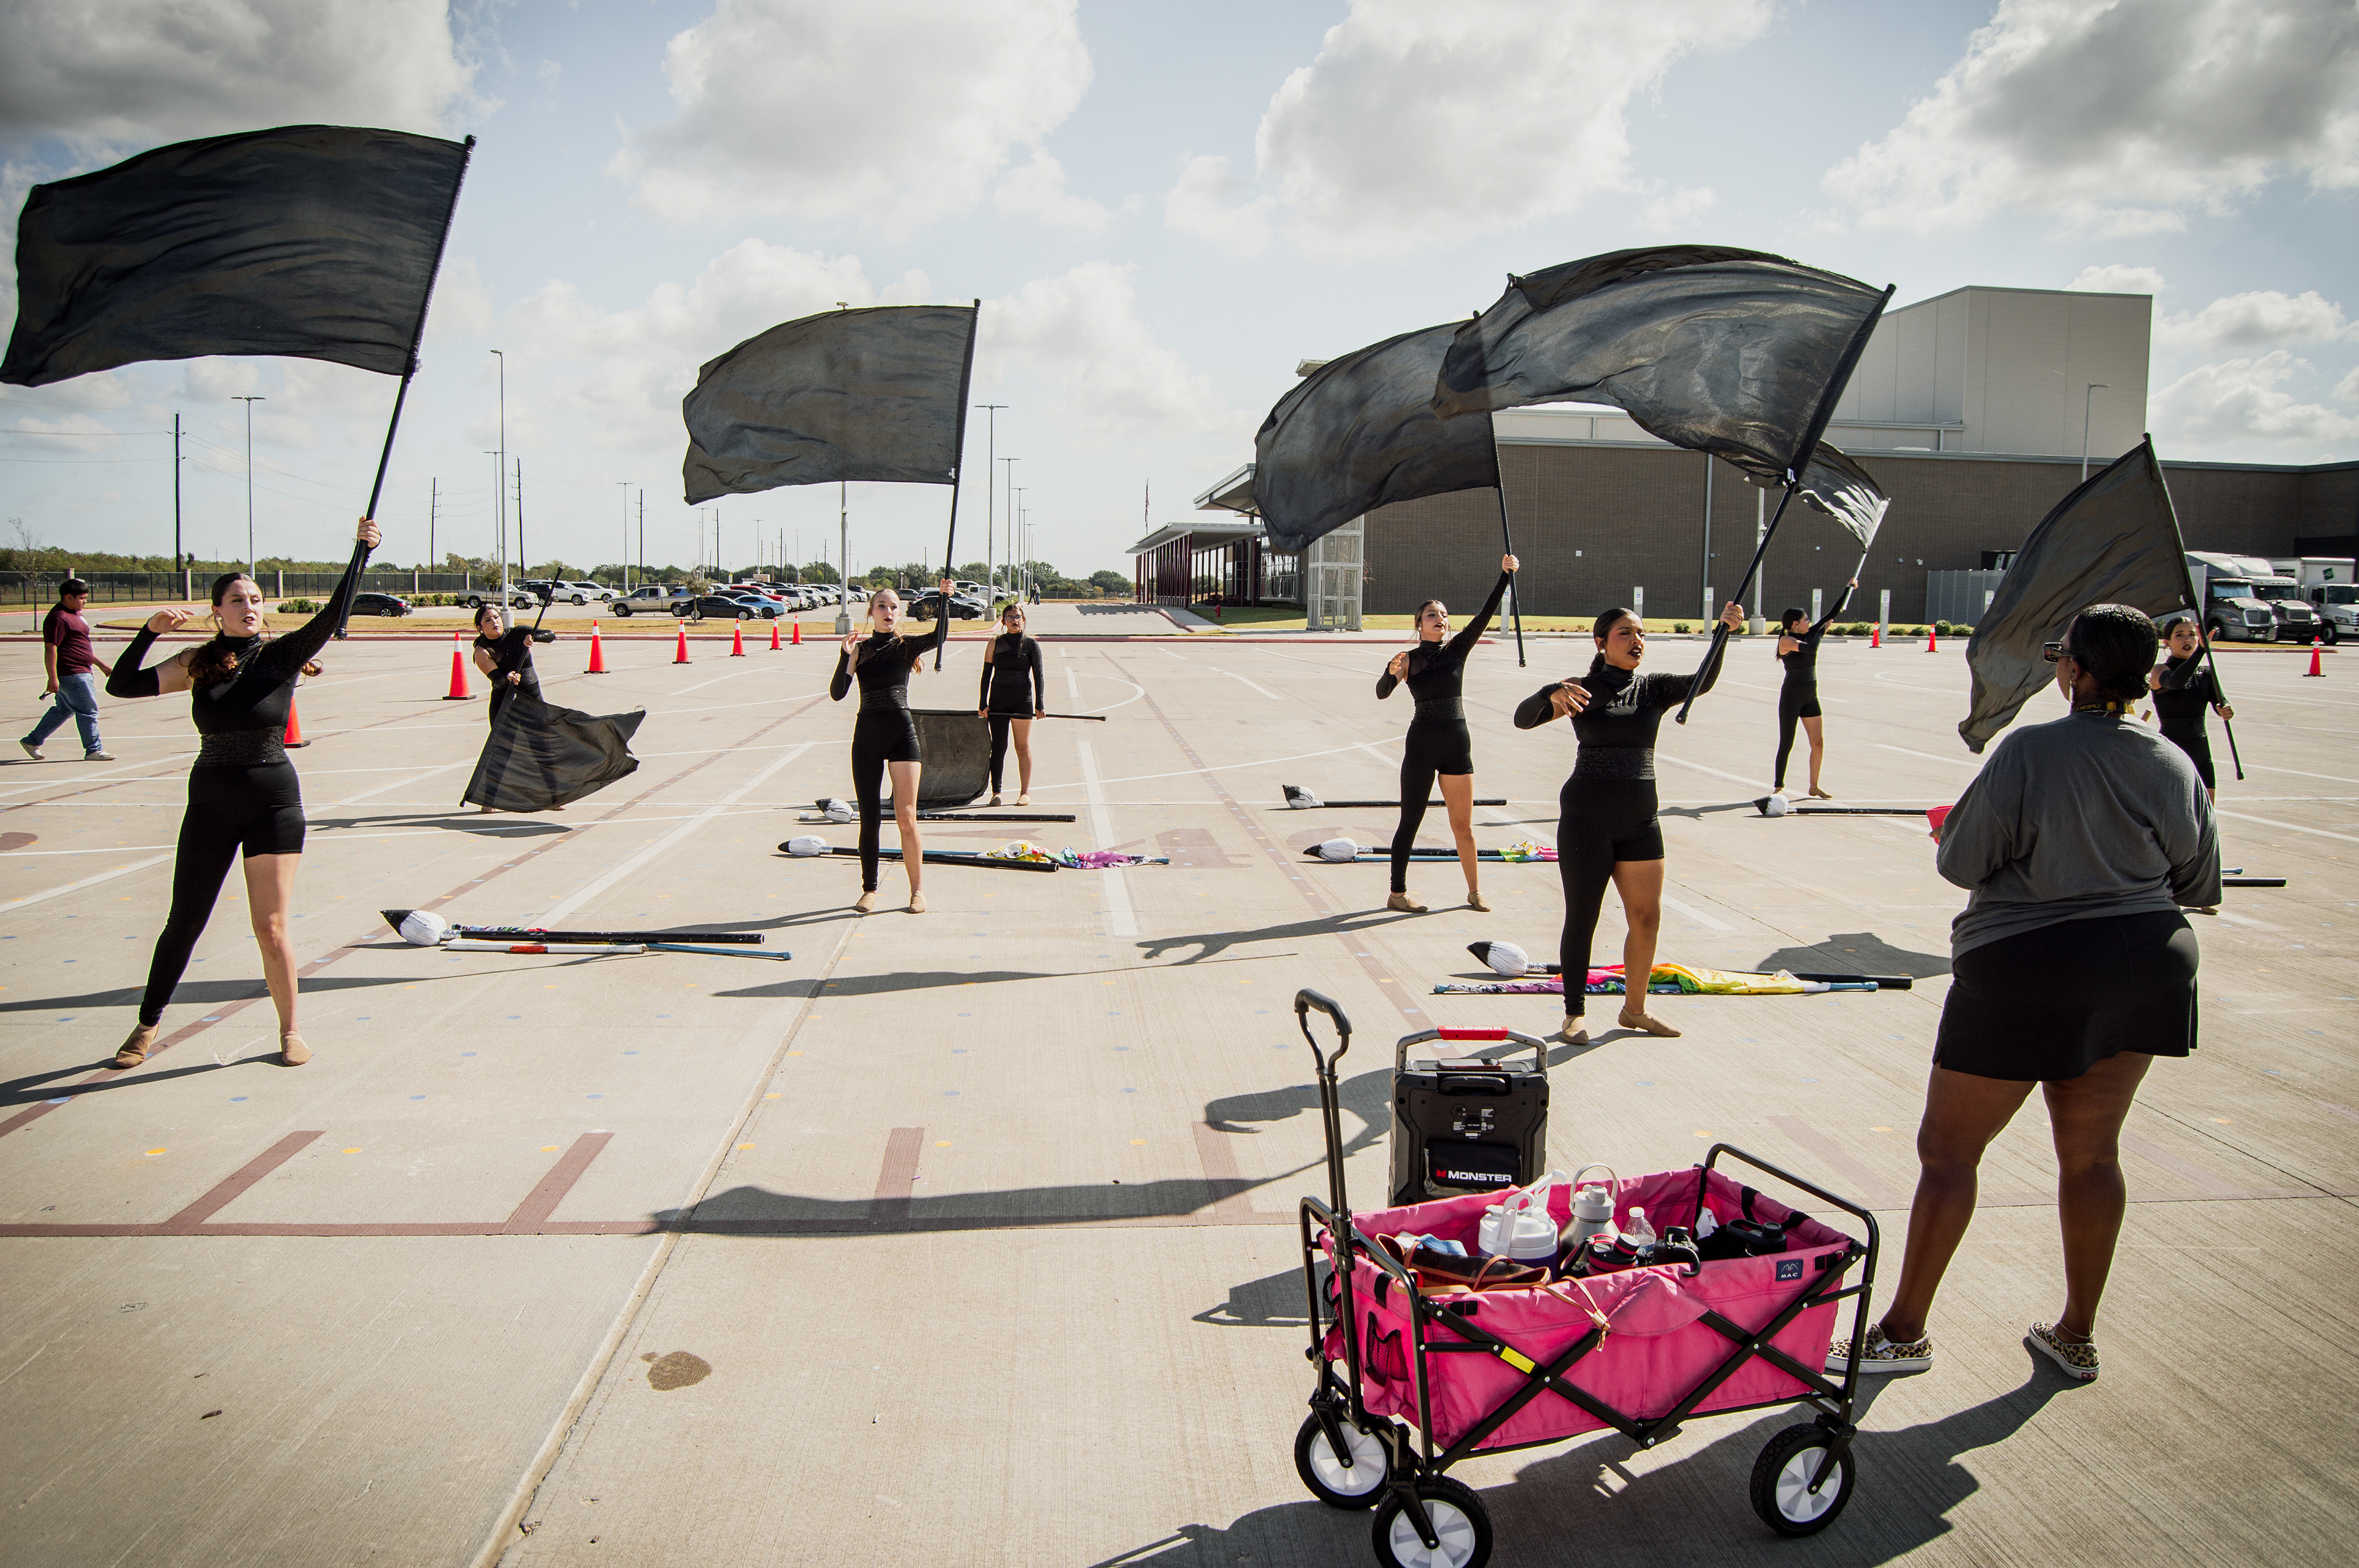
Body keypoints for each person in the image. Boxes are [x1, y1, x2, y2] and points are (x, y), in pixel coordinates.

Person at [1839, 604, 2218, 1383]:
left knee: (1949, 1153)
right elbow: (2199, 880)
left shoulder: (2030, 749)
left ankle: (1904, 1333)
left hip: (2029, 961)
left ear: (2075, 671)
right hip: (2146, 959)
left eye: (2060, 656)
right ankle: (2076, 1334)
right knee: (2093, 1154)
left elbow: (1963, 861)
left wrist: (1962, 834)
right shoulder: (2173, 761)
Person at [103, 518, 381, 1070]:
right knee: (184, 921)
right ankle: (147, 1024)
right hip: (210, 802)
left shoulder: (280, 656)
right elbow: (122, 684)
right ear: (217, 611)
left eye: (255, 598)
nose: (249, 606)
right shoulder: (196, 663)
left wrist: (361, 552)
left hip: (273, 803)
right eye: (237, 599)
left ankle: (290, 1030)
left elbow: (333, 613)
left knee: (270, 926)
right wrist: (150, 631)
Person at [1513, 599, 1745, 1043]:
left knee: (1647, 917)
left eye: (1641, 634)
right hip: (1586, 820)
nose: (1637, 640)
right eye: (1626, 633)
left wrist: (1724, 633)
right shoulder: (1581, 691)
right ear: (1601, 643)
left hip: (1640, 821)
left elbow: (1702, 681)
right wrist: (1548, 692)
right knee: (1583, 917)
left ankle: (1634, 1010)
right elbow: (1523, 720)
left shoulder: (1654, 689)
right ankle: (1574, 1014)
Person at [1374, 553, 1517, 912]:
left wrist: (1504, 576)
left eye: (1444, 614)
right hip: (1422, 746)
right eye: (1432, 614)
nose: (1440, 618)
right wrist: (1390, 672)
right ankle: (1397, 894)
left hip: (1456, 745)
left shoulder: (1457, 650)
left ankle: (1474, 892)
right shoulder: (1407, 659)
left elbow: (1484, 615)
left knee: (1463, 826)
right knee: (1410, 821)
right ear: (1419, 624)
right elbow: (1381, 693)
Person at [830, 585, 949, 913]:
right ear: (871, 612)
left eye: (893, 607)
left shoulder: (906, 646)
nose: (888, 612)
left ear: (900, 613)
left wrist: (944, 599)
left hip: (902, 736)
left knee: (906, 816)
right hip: (867, 738)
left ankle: (917, 892)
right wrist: (845, 656)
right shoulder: (860, 650)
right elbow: (838, 693)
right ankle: (869, 890)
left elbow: (940, 635)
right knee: (869, 819)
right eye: (881, 606)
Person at [1771, 577, 1857, 798]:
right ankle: (1779, 788)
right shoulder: (1786, 641)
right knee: (1787, 743)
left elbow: (1831, 614)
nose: (1810, 622)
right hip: (1791, 697)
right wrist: (1821, 632)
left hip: (1810, 697)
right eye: (1806, 620)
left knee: (1818, 743)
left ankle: (1814, 786)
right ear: (1794, 624)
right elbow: (1811, 649)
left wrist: (1848, 589)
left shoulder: (1809, 634)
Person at [470, 603, 557, 812]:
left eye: (496, 617)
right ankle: (488, 799)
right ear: (480, 628)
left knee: (542, 746)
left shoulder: (518, 633)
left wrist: (534, 638)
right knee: (502, 749)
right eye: (488, 620)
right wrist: (507, 677)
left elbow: (551, 635)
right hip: (504, 700)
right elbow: (496, 681)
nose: (495, 622)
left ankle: (554, 796)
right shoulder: (482, 651)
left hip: (532, 697)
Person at [20, 578, 114, 762]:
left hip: (81, 670)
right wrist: (52, 678)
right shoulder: (58, 618)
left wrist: (101, 665)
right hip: (72, 673)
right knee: (88, 711)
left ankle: (32, 741)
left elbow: (80, 646)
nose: (85, 601)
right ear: (68, 597)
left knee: (63, 710)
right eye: (82, 598)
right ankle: (93, 750)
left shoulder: (76, 614)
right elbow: (51, 648)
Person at [2148, 615, 2233, 800]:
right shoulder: (2159, 670)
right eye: (2179, 635)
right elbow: (2176, 682)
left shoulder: (2206, 673)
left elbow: (2221, 703)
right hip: (2172, 752)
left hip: (2202, 755)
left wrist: (2225, 709)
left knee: (2207, 812)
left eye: (2192, 635)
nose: (2187, 640)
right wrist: (2201, 651)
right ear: (2167, 642)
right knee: (2175, 809)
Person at [977, 601, 1047, 806]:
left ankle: (1024, 792)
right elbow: (986, 674)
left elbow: (1039, 675)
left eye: (1018, 617)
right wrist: (982, 702)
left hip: (1022, 701)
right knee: (998, 747)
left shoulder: (1031, 645)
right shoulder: (994, 643)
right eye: (1010, 618)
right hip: (997, 701)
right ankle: (996, 792)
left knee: (1022, 747)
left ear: (1023, 620)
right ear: (1004, 622)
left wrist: (1040, 704)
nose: (1014, 621)